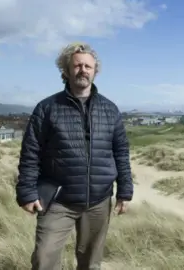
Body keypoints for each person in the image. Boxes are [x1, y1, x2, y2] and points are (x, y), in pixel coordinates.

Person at [15, 42, 134, 270]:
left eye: (88, 66)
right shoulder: (47, 108)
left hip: (98, 201)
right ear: (66, 71)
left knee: (91, 263)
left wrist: (125, 191)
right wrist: (27, 192)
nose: (83, 70)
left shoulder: (110, 109)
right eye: (77, 65)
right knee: (43, 259)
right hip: (57, 200)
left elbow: (121, 151)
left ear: (95, 71)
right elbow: (31, 152)